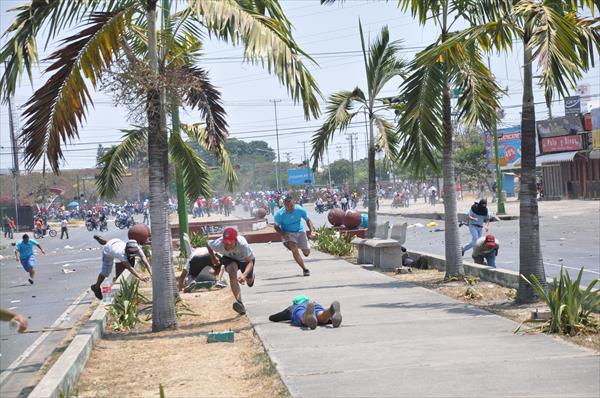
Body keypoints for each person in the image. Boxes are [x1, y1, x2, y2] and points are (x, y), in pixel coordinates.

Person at [207, 228, 255, 315]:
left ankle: (251, 278)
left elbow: (250, 262)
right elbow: (208, 244)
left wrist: (244, 275)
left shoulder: (243, 245)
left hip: (245, 260)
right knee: (232, 274)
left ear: (235, 240)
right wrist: (213, 257)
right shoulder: (218, 244)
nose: (227, 246)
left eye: (230, 243)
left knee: (249, 282)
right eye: (225, 243)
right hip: (229, 258)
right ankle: (240, 303)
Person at [90, 235, 151, 300]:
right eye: (130, 252)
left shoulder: (137, 249)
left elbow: (145, 262)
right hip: (108, 251)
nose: (132, 254)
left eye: (134, 252)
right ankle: (96, 287)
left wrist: (151, 272)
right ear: (126, 249)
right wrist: (140, 277)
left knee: (109, 243)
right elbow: (130, 268)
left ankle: (102, 240)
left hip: (115, 242)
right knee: (106, 272)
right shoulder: (120, 253)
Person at [273, 195, 316, 276]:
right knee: (294, 249)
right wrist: (283, 234)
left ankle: (299, 245)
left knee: (306, 253)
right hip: (288, 233)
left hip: (300, 231)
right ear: (284, 205)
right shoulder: (279, 214)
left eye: (291, 206)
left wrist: (312, 231)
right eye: (287, 206)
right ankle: (305, 269)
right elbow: (276, 226)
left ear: (294, 203)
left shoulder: (300, 209)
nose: (289, 208)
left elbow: (307, 220)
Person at [268, 295, 342, 330]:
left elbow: (277, 317)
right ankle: (329, 311)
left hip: (300, 309)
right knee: (320, 314)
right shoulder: (312, 303)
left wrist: (271, 317)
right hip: (316, 305)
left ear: (294, 303)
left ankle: (307, 315)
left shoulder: (293, 307)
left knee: (301, 316)